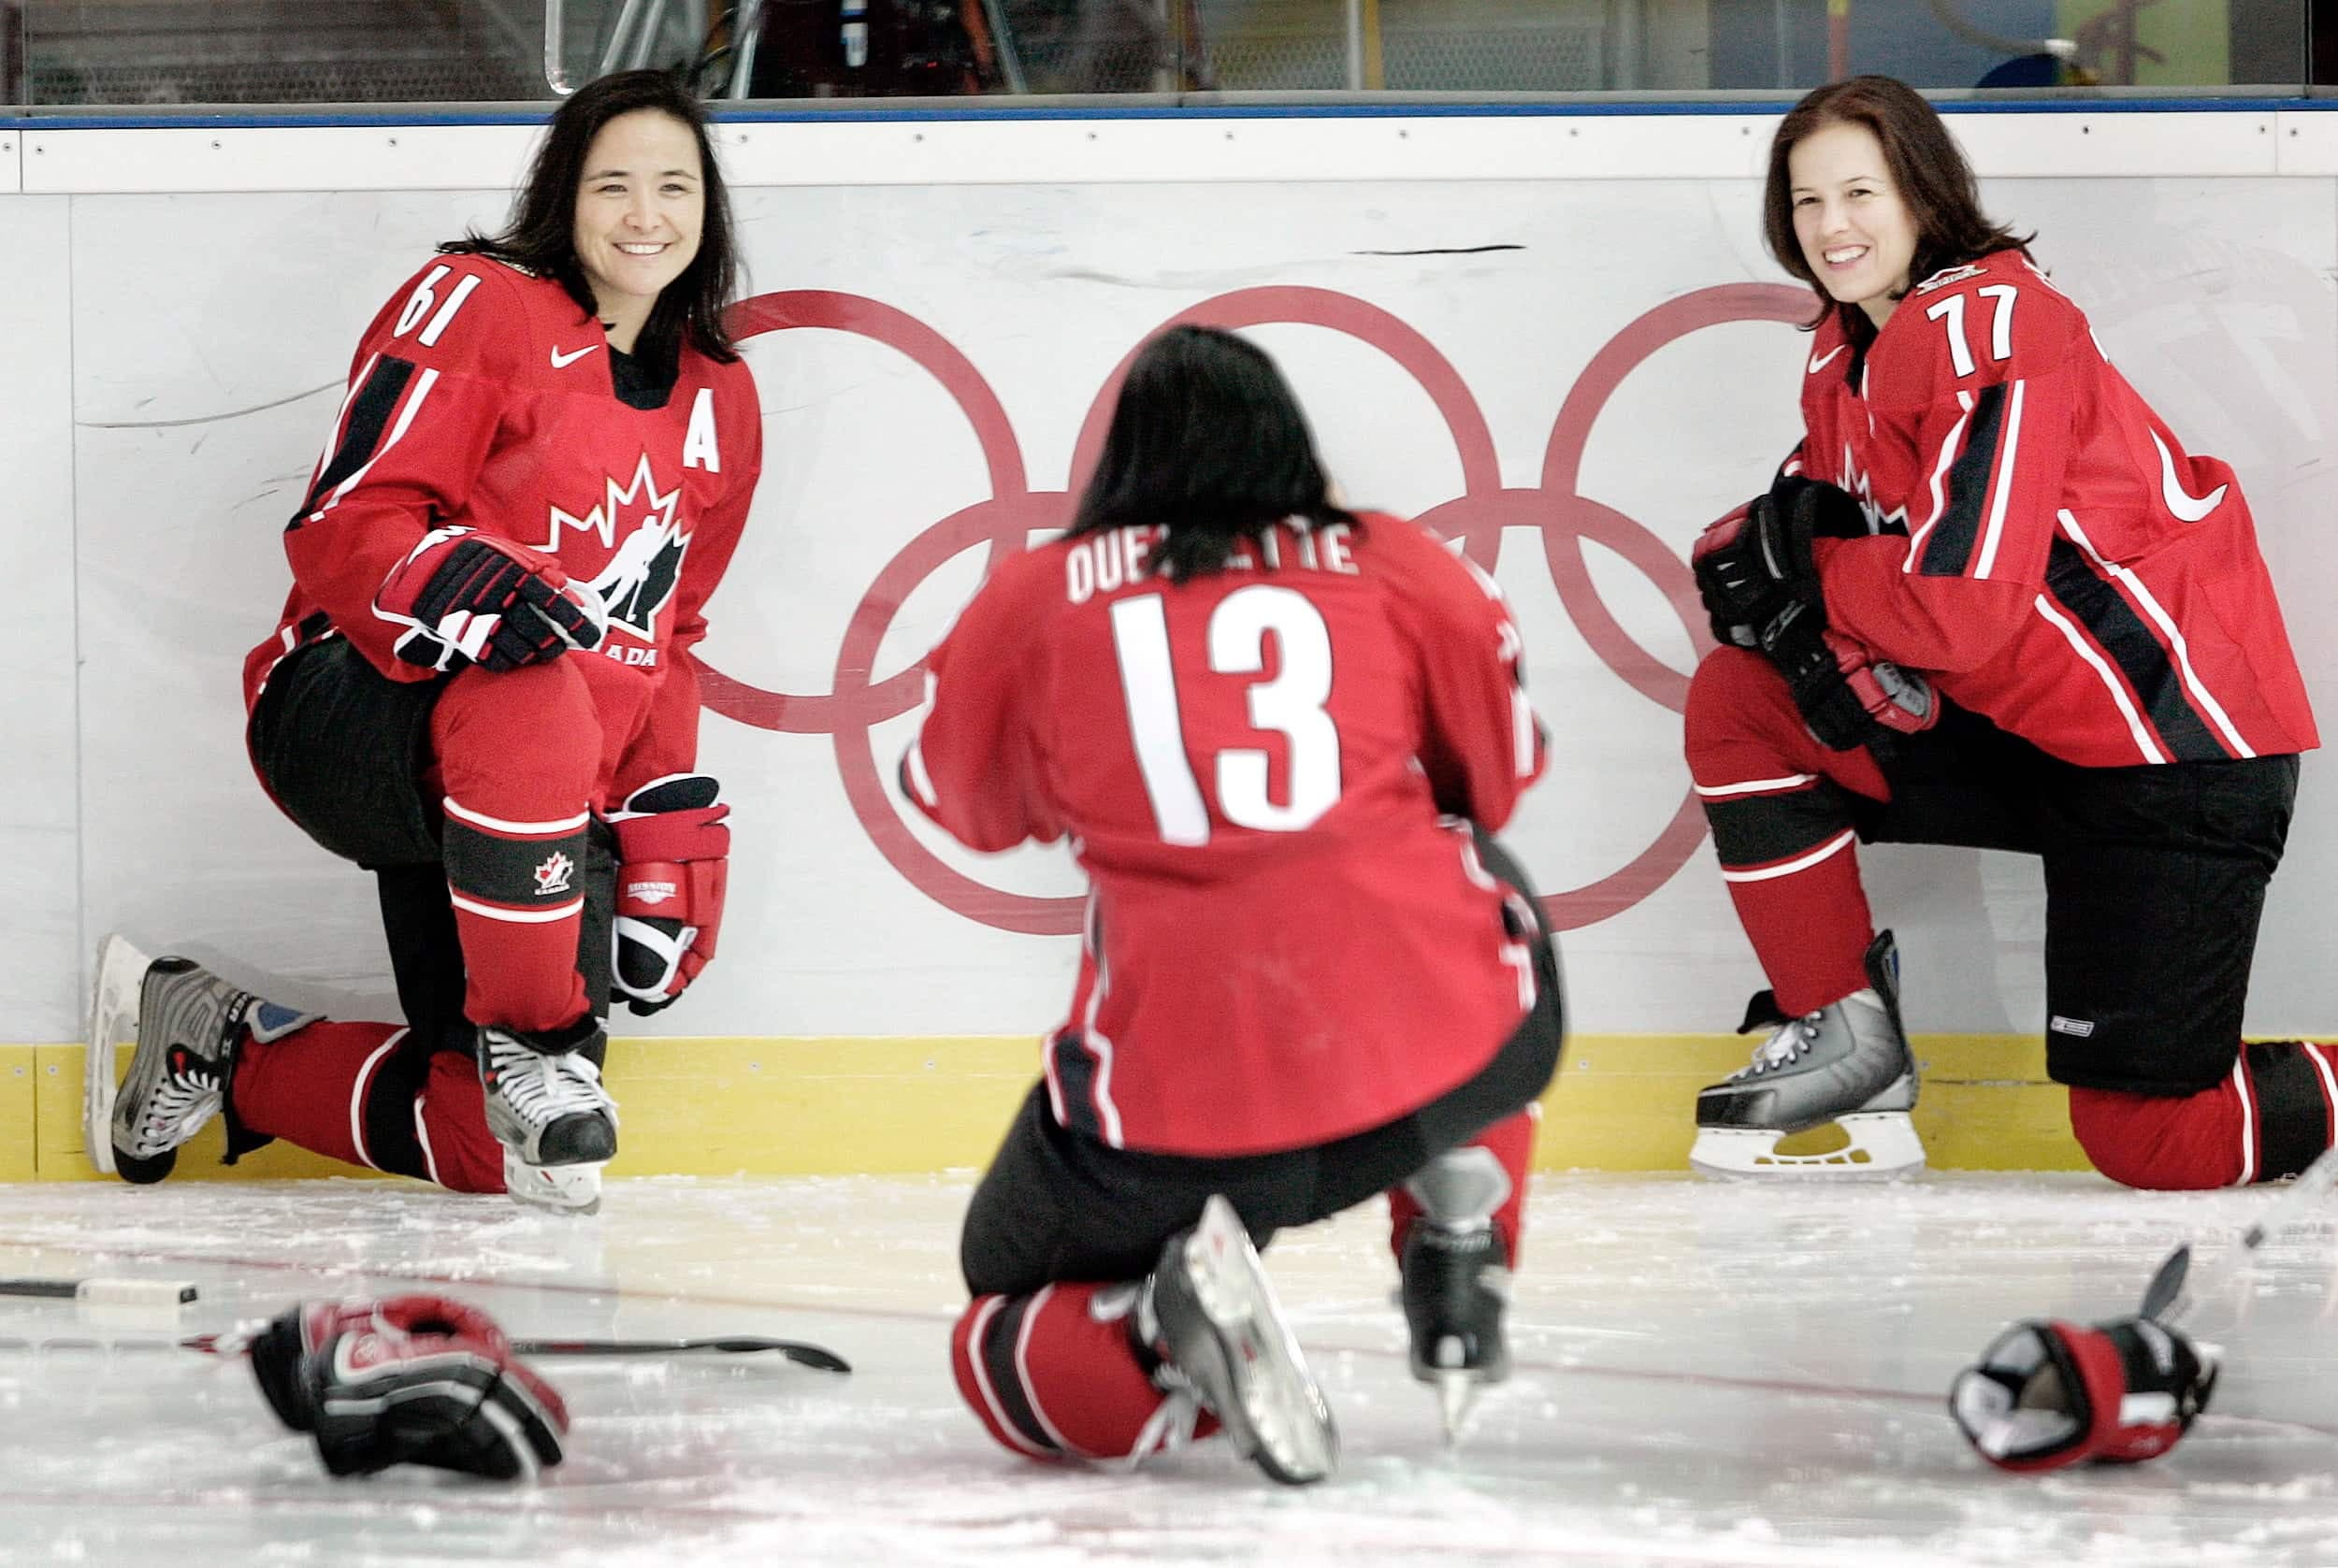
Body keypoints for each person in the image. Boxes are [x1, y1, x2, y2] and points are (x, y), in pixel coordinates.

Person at [88, 68, 761, 1215]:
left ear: (708, 211)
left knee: (520, 1156)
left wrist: (660, 835)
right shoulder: (479, 300)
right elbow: (347, 523)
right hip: (353, 714)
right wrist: (471, 588)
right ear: (563, 195)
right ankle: (532, 1035)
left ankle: (218, 1043)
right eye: (612, 186)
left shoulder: (721, 400)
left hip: (530, 790)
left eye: (672, 187)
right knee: (531, 674)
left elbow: (669, 635)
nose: (644, 216)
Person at [902, 325, 1563, 1484]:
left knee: (1001, 1297)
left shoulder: (1038, 596)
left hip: (1183, 1112)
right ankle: (1461, 1221)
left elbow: (969, 809)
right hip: (1450, 1060)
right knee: (1479, 887)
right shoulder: (1400, 560)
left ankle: (1159, 1340)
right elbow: (1496, 780)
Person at [1684, 75, 2323, 1187]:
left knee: (2159, 1145)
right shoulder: (1841, 354)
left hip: (2172, 749)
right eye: (1804, 202)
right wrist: (1767, 561)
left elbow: (1959, 604)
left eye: (1858, 192)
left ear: (1924, 194)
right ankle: (1847, 1041)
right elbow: (1805, 542)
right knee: (1741, 700)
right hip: (2033, 741)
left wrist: (1810, 569)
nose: (1831, 227)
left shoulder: (1994, 319)